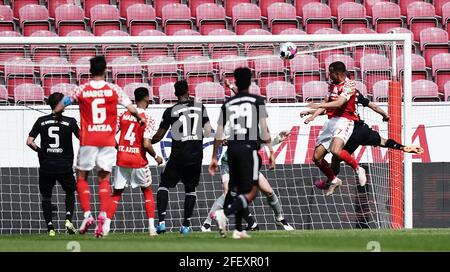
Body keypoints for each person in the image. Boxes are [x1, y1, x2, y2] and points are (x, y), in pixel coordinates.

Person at [53, 56, 143, 238]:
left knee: (81, 176)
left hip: (89, 139)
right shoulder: (113, 89)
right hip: (108, 140)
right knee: (104, 178)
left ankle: (87, 214)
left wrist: (57, 111)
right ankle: (103, 213)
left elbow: (62, 104)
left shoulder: (82, 89)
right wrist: (139, 118)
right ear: (105, 70)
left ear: (90, 70)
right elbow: (131, 108)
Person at [301, 90, 424, 190]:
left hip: (349, 130)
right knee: (383, 141)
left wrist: (310, 112)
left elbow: (330, 111)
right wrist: (385, 115)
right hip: (362, 128)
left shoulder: (338, 95)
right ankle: (402, 147)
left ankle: (331, 182)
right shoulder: (356, 94)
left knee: (335, 156)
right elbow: (373, 106)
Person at [209, 67, 275, 239]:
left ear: (236, 82)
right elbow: (264, 128)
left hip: (231, 150)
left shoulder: (228, 103)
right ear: (251, 82)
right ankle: (224, 212)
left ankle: (238, 229)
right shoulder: (257, 100)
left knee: (236, 190)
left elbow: (219, 132)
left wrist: (214, 157)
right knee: (251, 192)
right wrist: (271, 151)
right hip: (248, 148)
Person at [151, 80, 212, 235]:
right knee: (190, 189)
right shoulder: (200, 107)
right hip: (196, 155)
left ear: (175, 93)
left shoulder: (171, 110)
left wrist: (146, 142)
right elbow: (207, 131)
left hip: (178, 155)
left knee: (164, 184)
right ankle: (185, 225)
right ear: (188, 91)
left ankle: (162, 223)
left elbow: (159, 136)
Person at [103, 87, 163, 236]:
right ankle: (151, 228)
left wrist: (120, 148)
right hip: (138, 160)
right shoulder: (147, 118)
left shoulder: (122, 114)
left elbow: (109, 137)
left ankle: (106, 227)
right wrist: (156, 156)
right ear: (146, 99)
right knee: (147, 191)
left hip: (122, 159)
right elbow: (146, 144)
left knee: (116, 193)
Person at [306, 61, 366, 197]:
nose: (329, 75)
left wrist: (315, 106)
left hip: (345, 121)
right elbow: (326, 104)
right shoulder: (331, 85)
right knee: (317, 157)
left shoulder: (350, 85)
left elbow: (339, 102)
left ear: (337, 73)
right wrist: (312, 116)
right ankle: (334, 180)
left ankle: (358, 169)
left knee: (335, 151)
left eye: (330, 73)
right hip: (331, 122)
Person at [26, 92, 79, 236]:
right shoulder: (71, 121)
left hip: (46, 165)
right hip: (65, 166)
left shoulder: (41, 120)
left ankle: (50, 228)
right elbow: (83, 139)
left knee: (46, 196)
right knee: (70, 192)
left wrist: (41, 151)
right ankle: (68, 219)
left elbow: (29, 142)